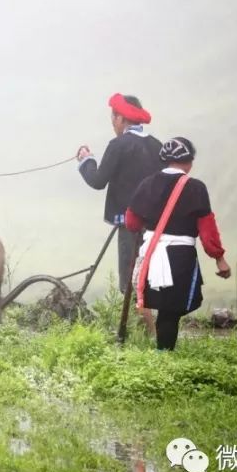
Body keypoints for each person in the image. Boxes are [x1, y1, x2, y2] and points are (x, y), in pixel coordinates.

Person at [124, 137, 232, 351]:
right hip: (180, 257)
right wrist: (219, 259)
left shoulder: (148, 183)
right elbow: (207, 230)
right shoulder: (196, 188)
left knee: (163, 306)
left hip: (153, 254)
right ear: (190, 161)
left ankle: (161, 355)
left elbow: (131, 222)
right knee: (171, 311)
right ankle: (164, 354)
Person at [76, 93, 162, 331]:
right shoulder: (156, 146)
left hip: (129, 223)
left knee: (129, 281)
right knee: (147, 275)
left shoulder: (118, 145)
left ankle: (141, 333)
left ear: (121, 118)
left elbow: (98, 180)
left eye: (113, 118)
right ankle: (148, 330)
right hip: (156, 224)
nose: (112, 123)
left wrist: (86, 160)